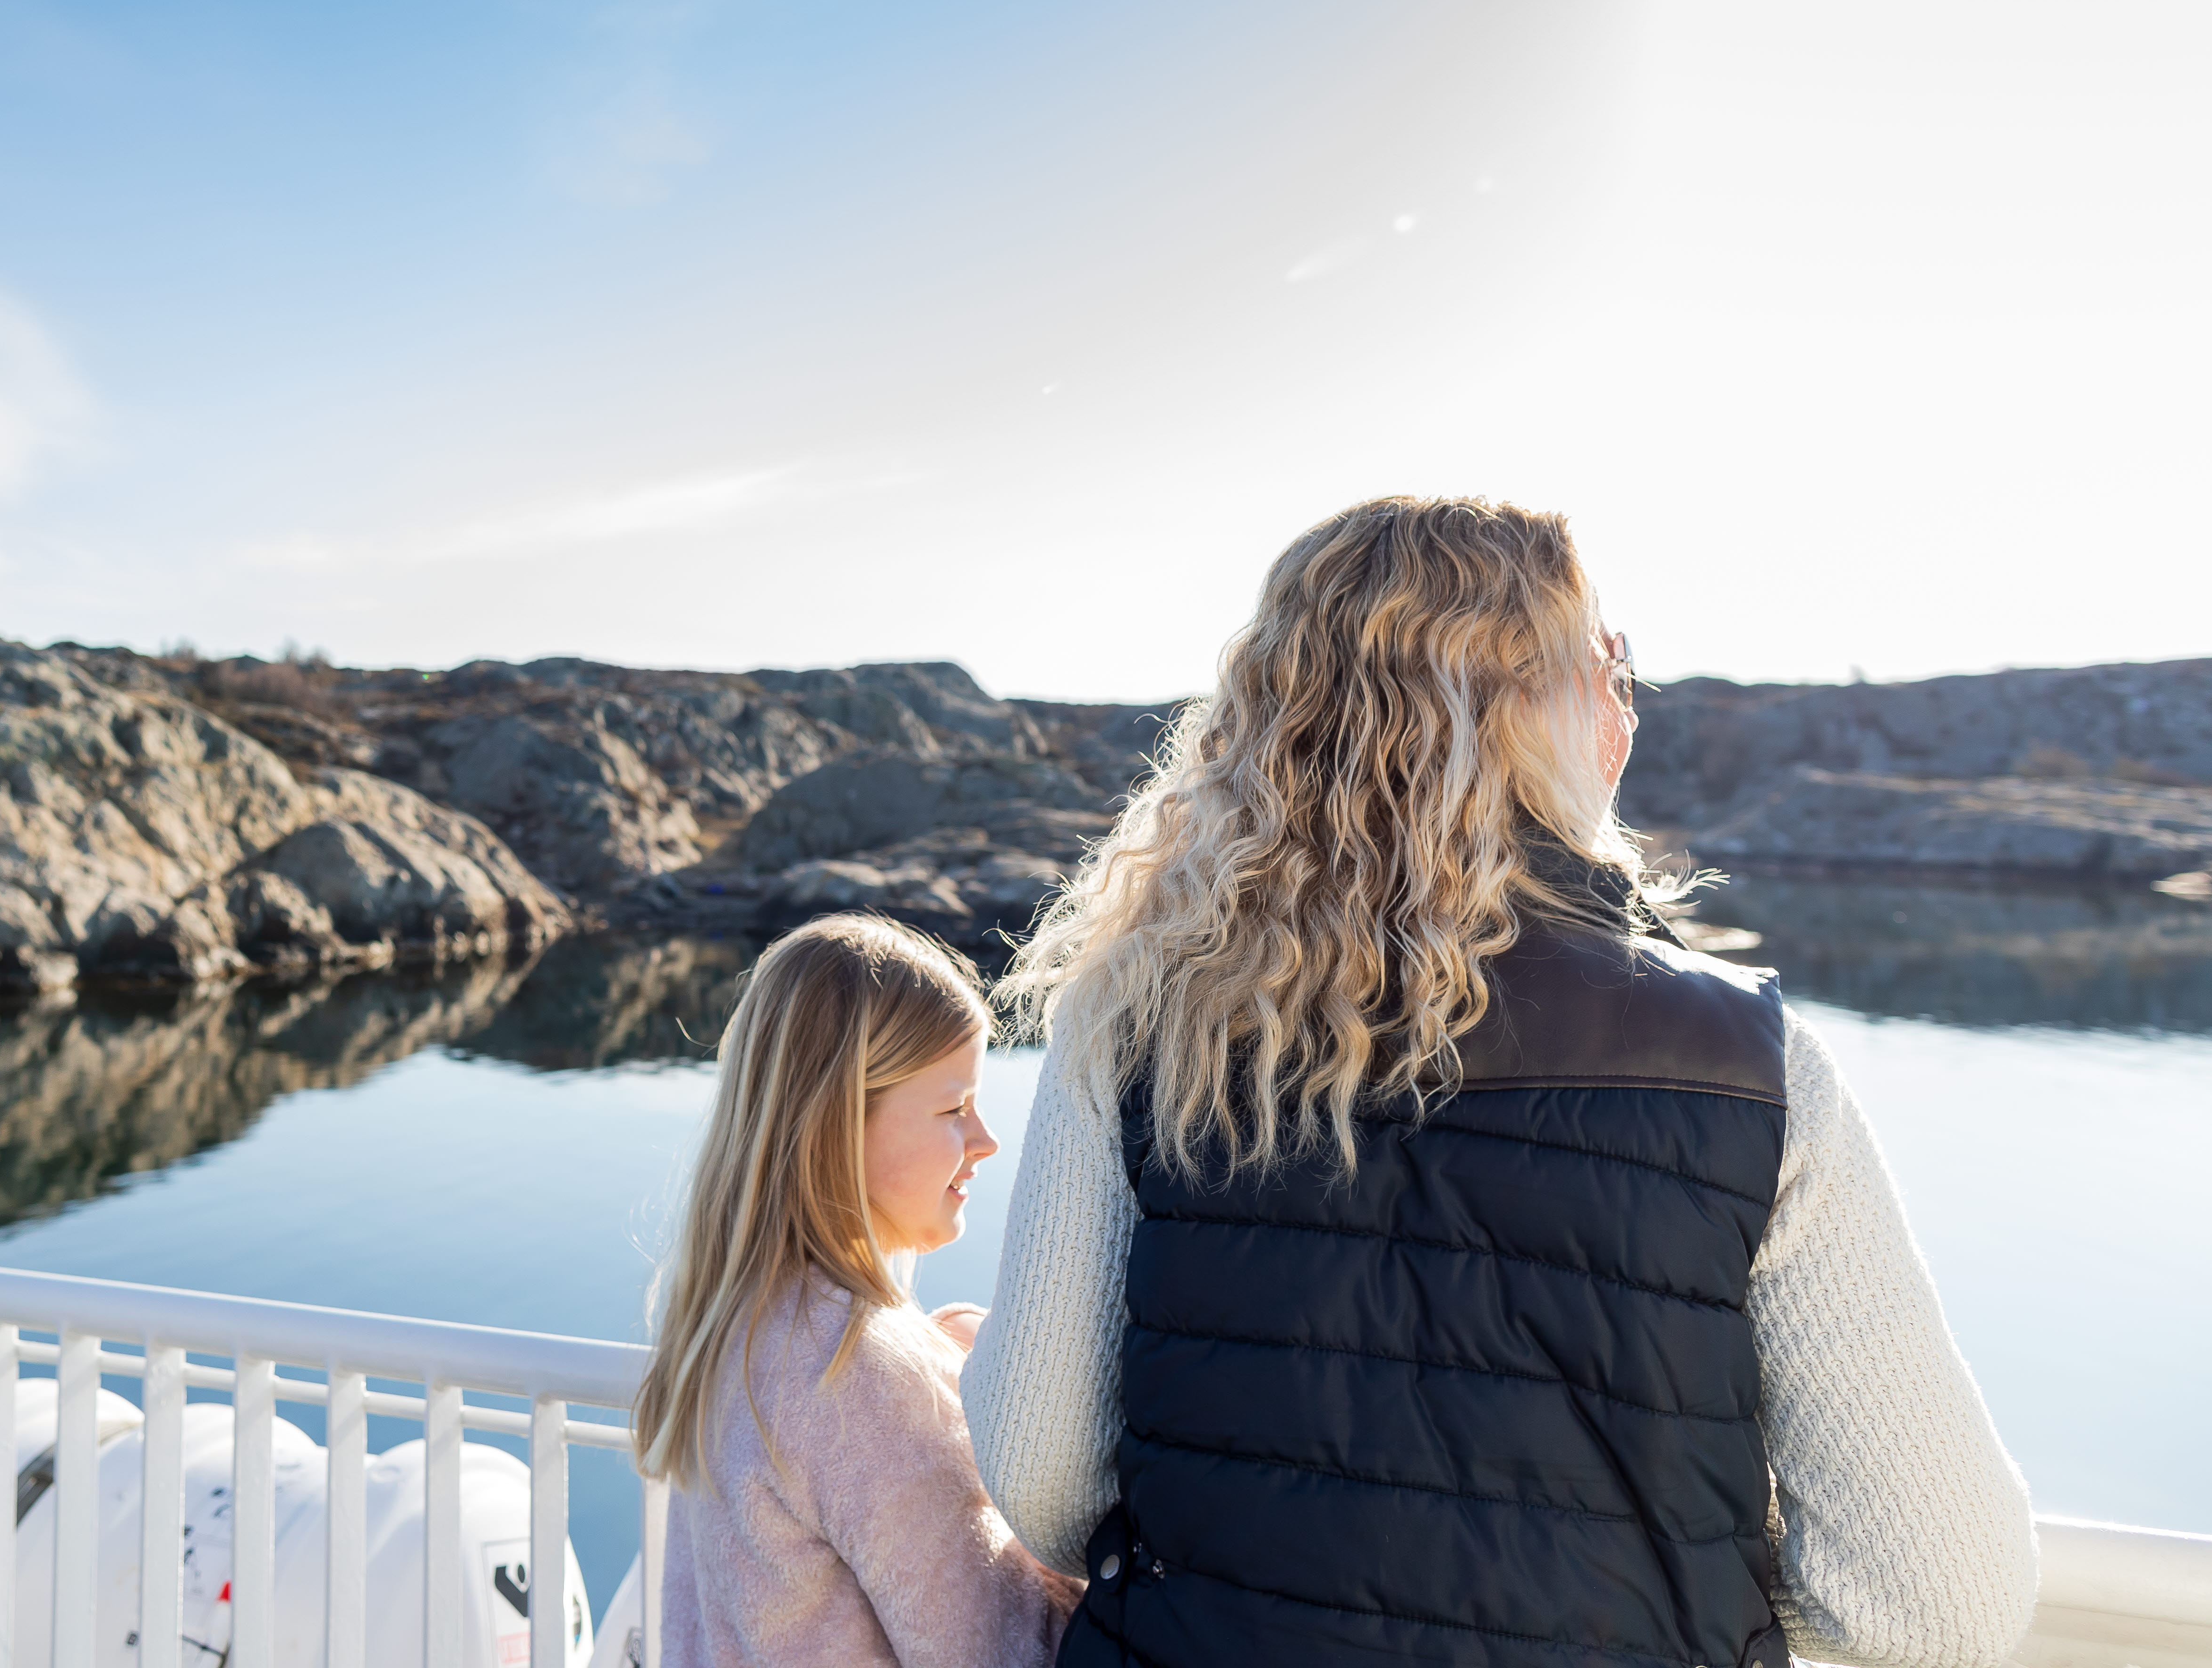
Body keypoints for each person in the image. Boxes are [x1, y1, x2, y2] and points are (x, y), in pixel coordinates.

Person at [962, 495, 2039, 1668]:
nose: (1625, 699)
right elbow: (1938, 1605)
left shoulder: (1135, 1026)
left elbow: (1043, 1480)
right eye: (1605, 661)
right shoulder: (1744, 1064)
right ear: (1534, 714)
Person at [637, 912, 1082, 1668]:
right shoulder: (860, 1371)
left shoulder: (738, 1329)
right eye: (953, 1108)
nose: (985, 1139)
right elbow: (1009, 1654)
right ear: (838, 1124)